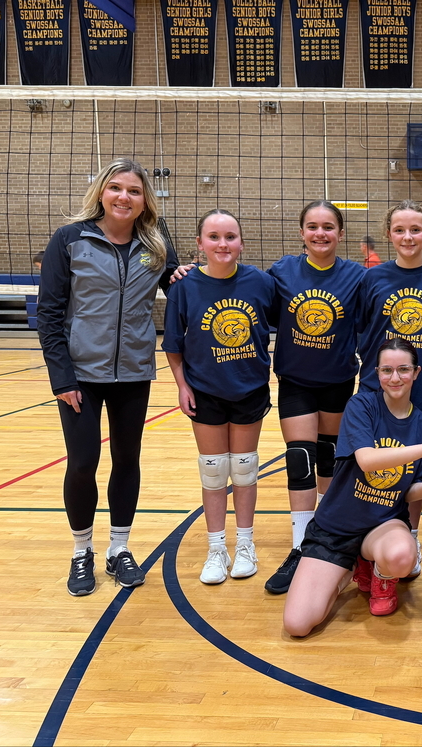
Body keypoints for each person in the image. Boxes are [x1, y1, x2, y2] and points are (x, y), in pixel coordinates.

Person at [37, 158, 178, 596]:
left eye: (133, 191)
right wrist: (62, 378)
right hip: (80, 373)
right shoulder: (70, 239)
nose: (124, 197)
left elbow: (177, 287)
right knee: (82, 463)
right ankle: (82, 552)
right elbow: (49, 313)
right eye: (116, 188)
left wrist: (188, 275)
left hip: (134, 372)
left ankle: (120, 549)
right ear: (101, 192)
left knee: (126, 461)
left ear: (143, 201)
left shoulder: (156, 241)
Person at [282, 338, 422, 637]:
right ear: (377, 372)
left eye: (403, 369)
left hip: (382, 525)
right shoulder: (361, 405)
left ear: (417, 372)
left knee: (401, 557)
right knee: (297, 625)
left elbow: (406, 492)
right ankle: (349, 569)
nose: (395, 378)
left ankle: (381, 573)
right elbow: (367, 461)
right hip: (336, 528)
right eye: (387, 370)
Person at [163, 209, 278, 585]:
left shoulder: (261, 283)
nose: (222, 244)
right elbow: (173, 345)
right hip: (205, 392)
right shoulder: (183, 287)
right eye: (213, 237)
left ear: (241, 242)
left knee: (244, 469)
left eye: (230, 236)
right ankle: (216, 548)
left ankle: (245, 543)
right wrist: (182, 385)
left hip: (248, 389)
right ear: (200, 244)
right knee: (213, 472)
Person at [263, 201, 366, 595]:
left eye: (328, 227)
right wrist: (185, 272)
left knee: (330, 457)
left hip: (338, 380)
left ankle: (327, 538)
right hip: (296, 380)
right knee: (300, 458)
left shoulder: (356, 276)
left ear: (340, 233)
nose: (320, 233)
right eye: (312, 226)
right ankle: (300, 546)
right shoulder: (282, 272)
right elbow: (244, 288)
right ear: (301, 232)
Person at [356, 200, 422, 574]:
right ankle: (372, 532)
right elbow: (361, 328)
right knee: (376, 464)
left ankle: (409, 534)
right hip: (376, 386)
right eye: (400, 230)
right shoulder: (373, 278)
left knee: (413, 465)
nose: (408, 236)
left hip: (421, 387)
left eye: (416, 229)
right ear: (389, 234)